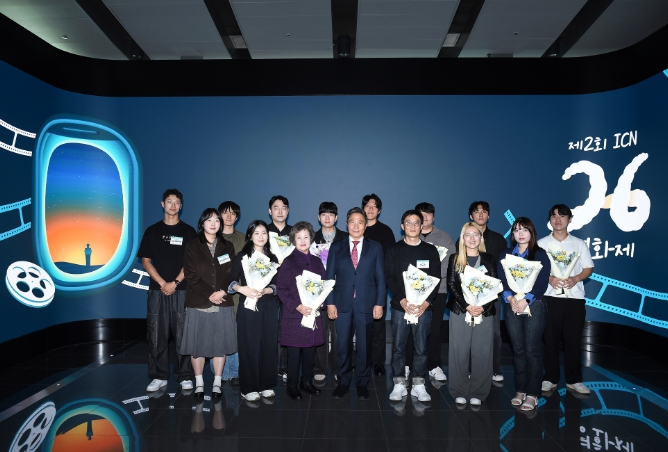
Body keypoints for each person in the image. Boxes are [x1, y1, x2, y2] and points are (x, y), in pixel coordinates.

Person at [138, 188, 197, 393]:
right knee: (156, 334)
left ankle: (185, 375)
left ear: (181, 206)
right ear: (162, 204)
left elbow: (191, 263)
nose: (173, 205)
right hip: (157, 291)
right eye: (169, 201)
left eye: (177, 202)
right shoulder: (152, 231)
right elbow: (146, 261)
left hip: (182, 290)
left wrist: (175, 283)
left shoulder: (189, 232)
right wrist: (163, 283)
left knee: (183, 334)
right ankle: (158, 376)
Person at [326, 207, 386, 400]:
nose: (356, 225)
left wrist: (379, 303)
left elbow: (380, 278)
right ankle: (343, 381)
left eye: (360, 222)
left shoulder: (375, 247)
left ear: (365, 225)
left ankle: (362, 382)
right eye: (352, 221)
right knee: (342, 346)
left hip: (366, 304)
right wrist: (330, 303)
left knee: (364, 346)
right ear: (346, 224)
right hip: (341, 304)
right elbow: (329, 278)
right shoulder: (336, 247)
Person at [180, 208, 237, 398]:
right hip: (198, 302)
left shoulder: (227, 246)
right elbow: (190, 274)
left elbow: (231, 273)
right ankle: (199, 383)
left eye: (217, 220)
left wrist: (221, 292)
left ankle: (217, 383)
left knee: (220, 345)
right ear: (202, 223)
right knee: (197, 346)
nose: (213, 223)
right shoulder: (192, 246)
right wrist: (210, 294)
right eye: (209, 220)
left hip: (222, 301)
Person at [539, 204, 594, 395]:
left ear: (569, 219)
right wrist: (549, 278)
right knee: (550, 340)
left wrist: (575, 279)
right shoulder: (541, 244)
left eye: (562, 216)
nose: (558, 219)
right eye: (554, 216)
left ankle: (574, 380)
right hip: (550, 297)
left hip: (574, 298)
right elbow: (536, 269)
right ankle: (550, 378)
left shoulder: (579, 244)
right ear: (550, 220)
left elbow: (588, 268)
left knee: (573, 340)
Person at [386, 210, 441, 402]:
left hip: (423, 309)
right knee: (398, 347)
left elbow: (436, 278)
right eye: (408, 222)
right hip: (400, 307)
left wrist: (426, 303)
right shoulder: (394, 250)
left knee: (421, 347)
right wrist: (402, 300)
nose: (412, 226)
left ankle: (418, 383)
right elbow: (389, 277)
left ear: (421, 226)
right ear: (402, 226)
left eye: (416, 222)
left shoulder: (430, 251)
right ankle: (399, 383)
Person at [497, 217, 550, 411]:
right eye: (517, 230)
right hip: (512, 305)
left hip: (534, 306)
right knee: (518, 350)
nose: (520, 233)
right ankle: (520, 390)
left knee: (532, 350)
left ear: (531, 232)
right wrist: (511, 299)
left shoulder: (540, 254)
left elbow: (542, 283)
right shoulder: (505, 254)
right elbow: (501, 279)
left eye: (524, 229)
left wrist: (525, 300)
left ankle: (533, 393)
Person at [455, 201, 508, 382]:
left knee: (493, 333)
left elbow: (503, 269)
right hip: (467, 297)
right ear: (471, 216)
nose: (480, 214)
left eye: (484, 211)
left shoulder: (499, 240)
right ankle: (470, 369)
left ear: (488, 215)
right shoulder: (461, 240)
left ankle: (494, 369)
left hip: (491, 296)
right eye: (476, 212)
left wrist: (492, 292)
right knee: (469, 335)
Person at [446, 222, 498, 406]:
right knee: (458, 351)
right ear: (463, 238)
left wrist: (483, 305)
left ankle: (479, 391)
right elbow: (451, 284)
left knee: (482, 351)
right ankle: (458, 390)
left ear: (480, 237)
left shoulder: (489, 259)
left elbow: (494, 285)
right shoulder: (455, 258)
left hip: (484, 311)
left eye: (476, 234)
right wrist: (467, 305)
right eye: (468, 234)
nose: (472, 238)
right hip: (460, 310)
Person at [228, 220, 279, 401]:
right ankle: (248, 387)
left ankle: (266, 384)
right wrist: (242, 289)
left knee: (268, 345)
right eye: (256, 233)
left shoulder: (273, 258)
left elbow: (277, 285)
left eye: (264, 233)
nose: (261, 236)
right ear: (249, 236)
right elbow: (230, 282)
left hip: (269, 306)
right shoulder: (242, 257)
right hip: (248, 306)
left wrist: (266, 290)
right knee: (249, 346)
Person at [276, 221, 327, 400]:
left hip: (312, 313)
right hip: (294, 315)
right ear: (293, 240)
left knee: (310, 351)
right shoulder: (289, 262)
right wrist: (297, 306)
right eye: (299, 237)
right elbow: (281, 289)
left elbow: (323, 286)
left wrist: (320, 303)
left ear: (311, 239)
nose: (303, 240)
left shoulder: (317, 261)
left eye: (306, 237)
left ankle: (307, 382)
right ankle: (292, 385)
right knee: (294, 353)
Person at [407, 201, 455, 382]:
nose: (425, 217)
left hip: (438, 291)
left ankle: (434, 366)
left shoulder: (444, 237)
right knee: (411, 329)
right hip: (412, 293)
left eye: (428, 213)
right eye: (421, 214)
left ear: (433, 217)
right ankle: (408, 365)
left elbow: (449, 264)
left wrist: (428, 281)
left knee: (434, 330)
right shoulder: (410, 236)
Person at [361, 193, 395, 377]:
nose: (370, 209)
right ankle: (362, 361)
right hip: (358, 284)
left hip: (378, 284)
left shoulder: (385, 231)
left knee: (378, 325)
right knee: (360, 324)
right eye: (367, 205)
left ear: (379, 210)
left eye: (374, 206)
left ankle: (378, 363)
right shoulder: (357, 228)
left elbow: (390, 260)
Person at [312, 201, 347, 382]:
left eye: (331, 214)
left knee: (339, 332)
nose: (327, 217)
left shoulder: (345, 238)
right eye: (324, 214)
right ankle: (320, 367)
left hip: (340, 291)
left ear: (336, 217)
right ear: (319, 217)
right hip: (317, 292)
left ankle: (339, 367)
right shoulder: (311, 237)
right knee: (320, 329)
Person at [216, 201, 245, 386]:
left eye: (233, 213)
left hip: (238, 293)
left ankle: (234, 372)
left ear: (237, 216)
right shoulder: (212, 236)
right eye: (225, 213)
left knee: (235, 333)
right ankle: (220, 374)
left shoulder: (243, 239)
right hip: (216, 293)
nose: (229, 216)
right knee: (218, 333)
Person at [267, 195, 292, 381]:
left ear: (288, 211)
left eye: (284, 208)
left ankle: (285, 366)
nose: (280, 211)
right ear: (270, 211)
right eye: (276, 208)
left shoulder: (294, 232)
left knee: (287, 325)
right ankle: (267, 365)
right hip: (267, 286)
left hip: (289, 286)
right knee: (268, 325)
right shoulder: (263, 231)